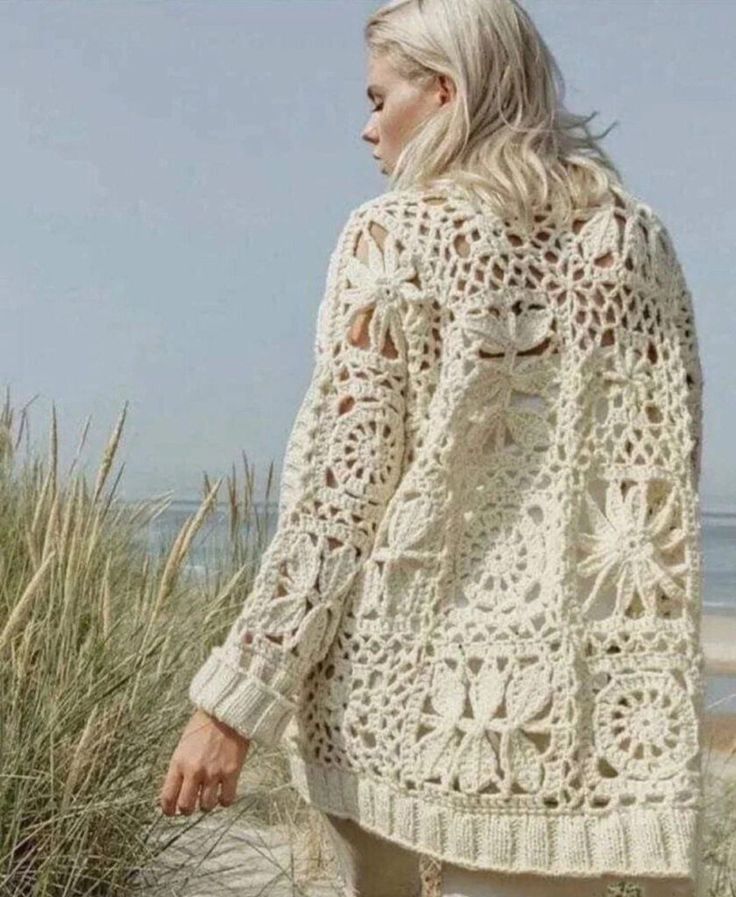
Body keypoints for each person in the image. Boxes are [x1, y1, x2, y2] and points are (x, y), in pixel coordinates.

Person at [159, 1, 706, 896]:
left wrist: (231, 702)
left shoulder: (396, 236)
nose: (367, 126)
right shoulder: (636, 244)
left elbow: (343, 496)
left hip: (388, 701)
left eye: (380, 98)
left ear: (445, 92)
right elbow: (655, 503)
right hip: (561, 721)